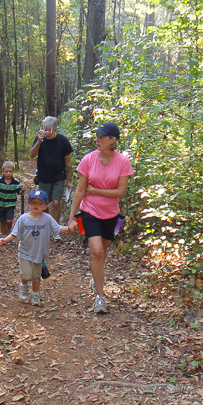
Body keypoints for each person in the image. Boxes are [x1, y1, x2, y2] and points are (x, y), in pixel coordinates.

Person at [67, 122, 133, 313]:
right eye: (97, 136)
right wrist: (71, 218)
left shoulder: (123, 162)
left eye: (102, 137)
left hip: (112, 215)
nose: (98, 140)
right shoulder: (88, 160)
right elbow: (80, 191)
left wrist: (95, 189)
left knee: (102, 254)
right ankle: (100, 296)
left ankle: (96, 279)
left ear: (113, 140)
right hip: (90, 211)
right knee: (96, 251)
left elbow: (120, 192)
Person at [0, 190, 71, 306]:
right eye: (33, 202)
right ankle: (23, 286)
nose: (36, 206)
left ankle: (35, 295)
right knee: (26, 274)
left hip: (39, 253)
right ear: (29, 203)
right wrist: (4, 240)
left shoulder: (47, 218)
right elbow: (15, 233)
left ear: (46, 206)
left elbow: (57, 229)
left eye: (40, 203)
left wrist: (69, 228)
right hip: (25, 251)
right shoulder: (23, 219)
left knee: (36, 276)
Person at [29, 116, 73, 240]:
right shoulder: (40, 140)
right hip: (44, 177)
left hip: (58, 176)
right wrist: (39, 141)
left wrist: (69, 181)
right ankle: (48, 226)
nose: (47, 133)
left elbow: (68, 162)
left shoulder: (63, 141)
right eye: (45, 130)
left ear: (55, 129)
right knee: (45, 204)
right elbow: (31, 155)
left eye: (49, 130)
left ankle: (56, 230)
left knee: (56, 202)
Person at [0, 161, 22, 236]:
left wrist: (23, 190)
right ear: (2, 171)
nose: (8, 173)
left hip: (10, 205)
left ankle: (8, 229)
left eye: (10, 172)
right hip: (0, 204)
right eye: (6, 171)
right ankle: (4, 236)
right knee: (2, 221)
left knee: (9, 221)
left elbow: (19, 192)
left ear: (14, 171)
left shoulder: (15, 182)